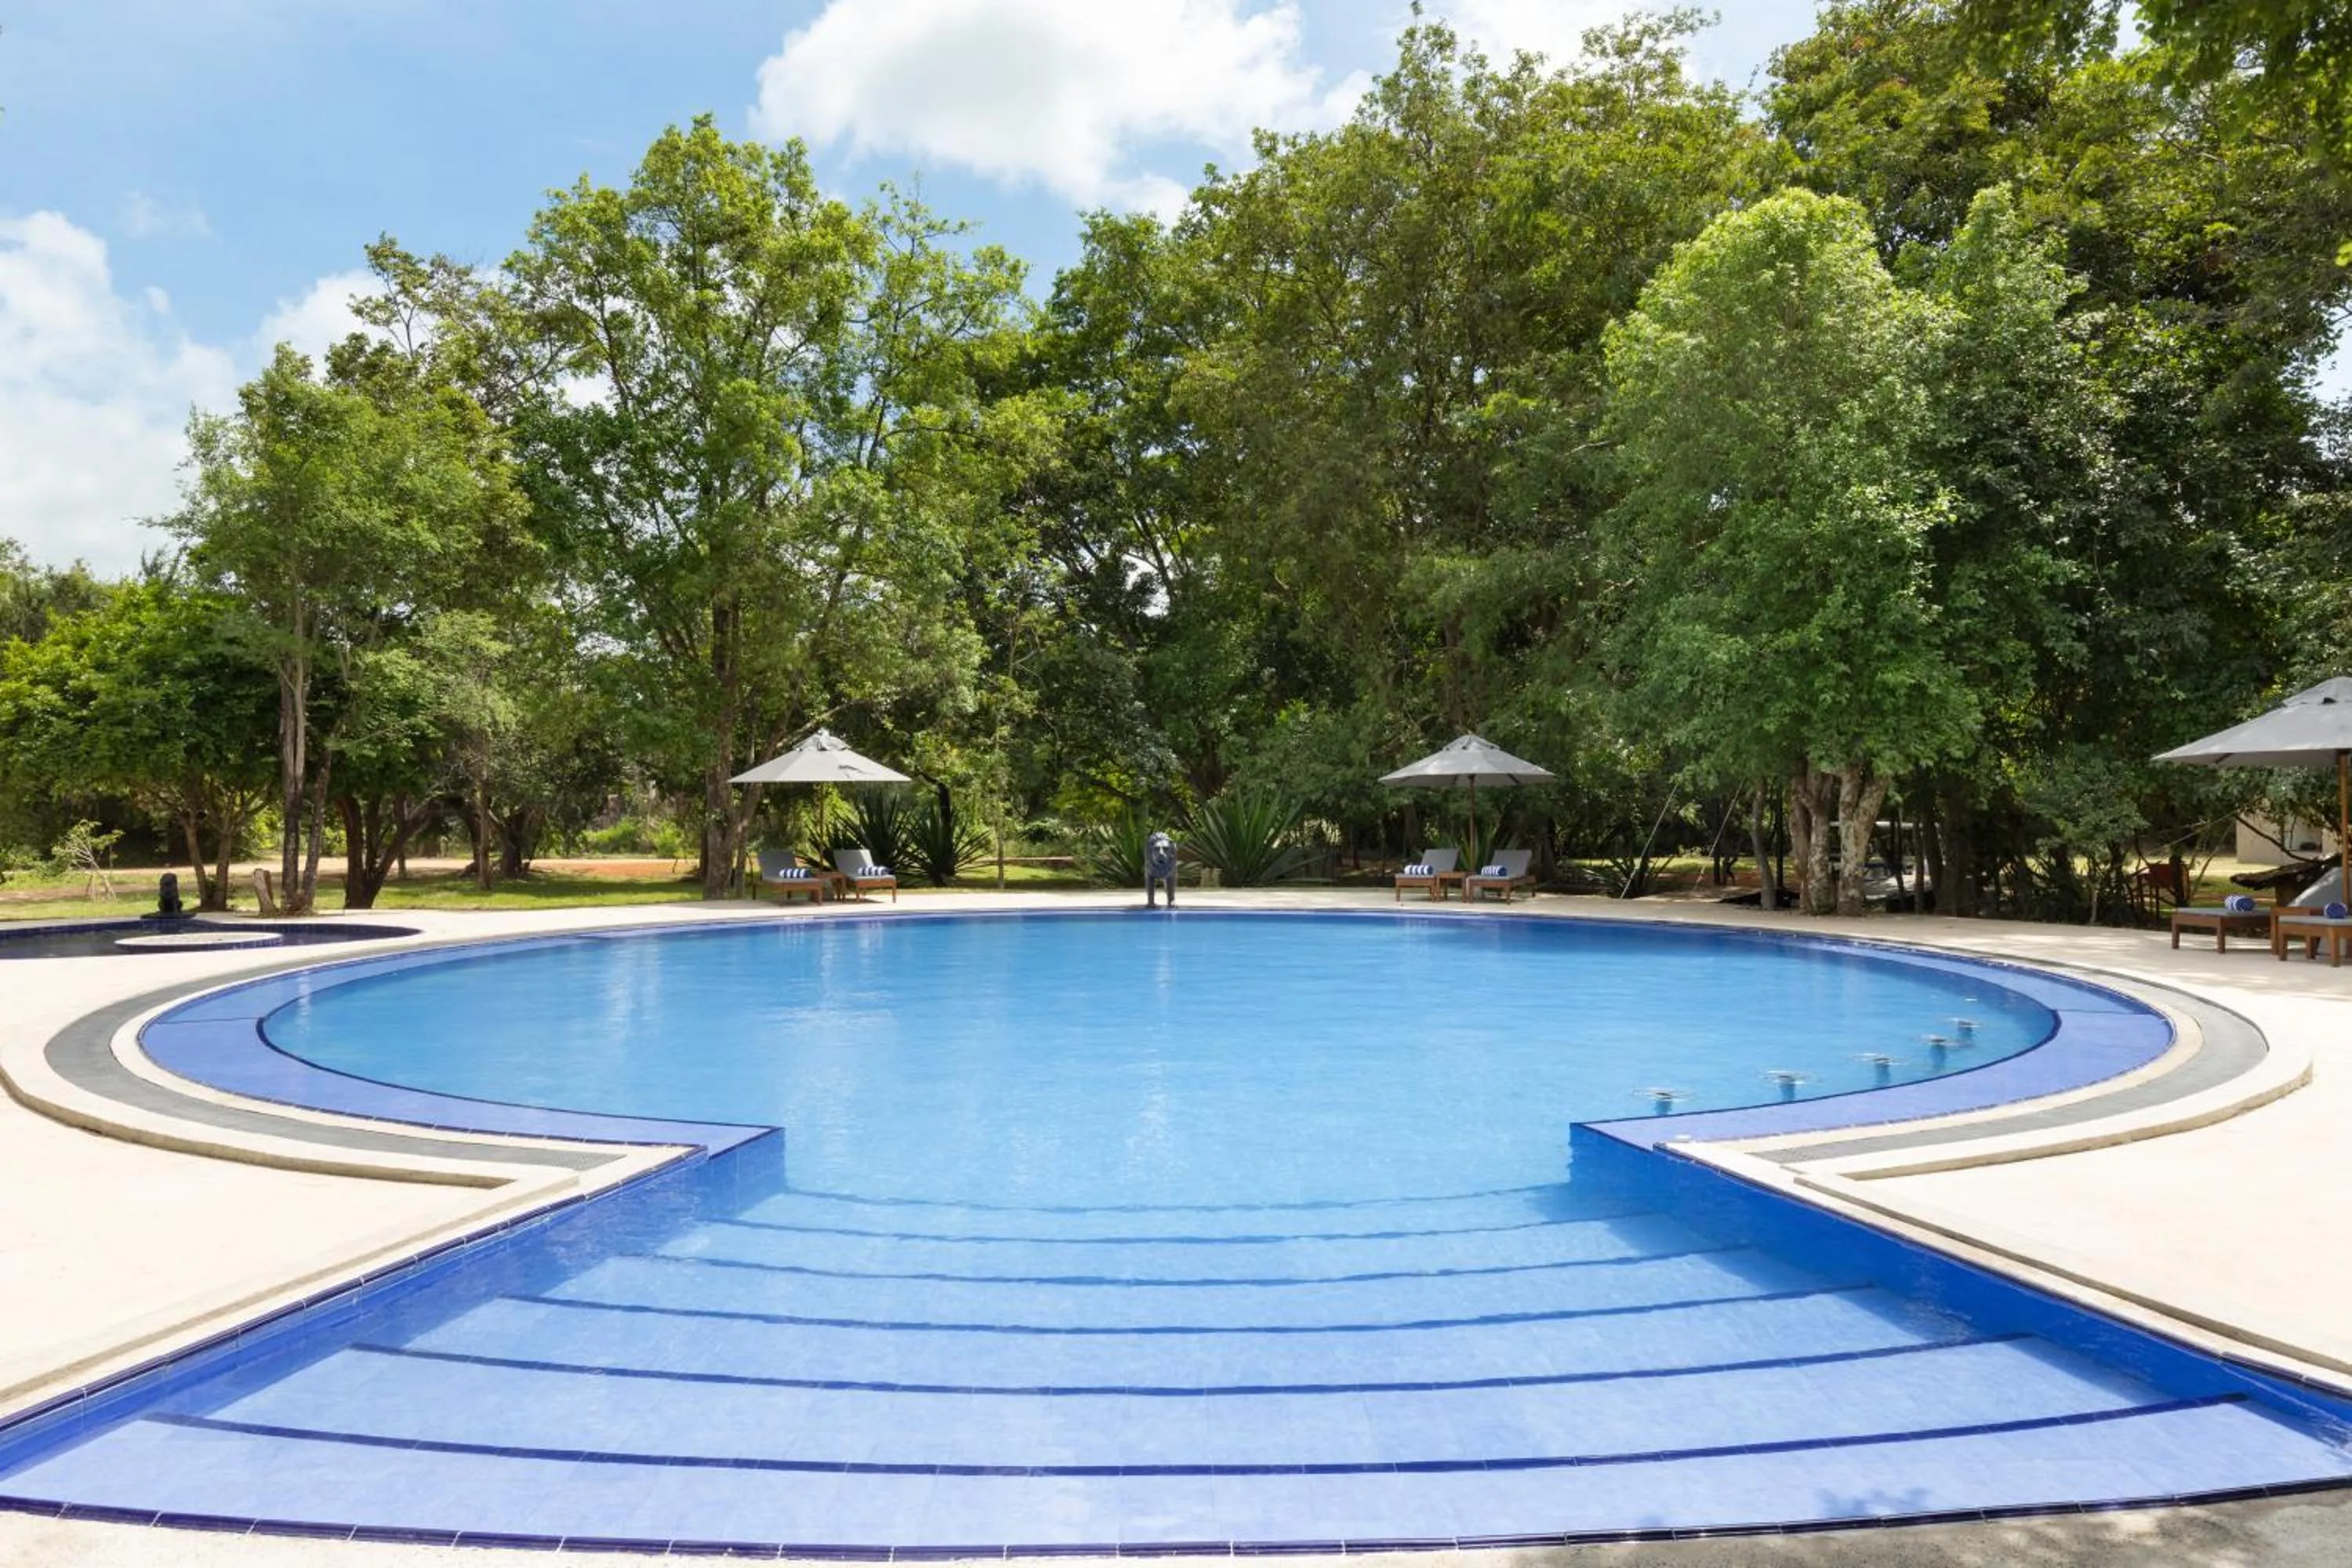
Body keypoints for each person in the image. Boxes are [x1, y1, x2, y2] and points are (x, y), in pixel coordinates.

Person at [1145, 831, 1178, 908]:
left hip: (1169, 864)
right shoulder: (1148, 853)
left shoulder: (1173, 852)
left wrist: (1172, 900)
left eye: (1165, 849)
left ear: (1171, 852)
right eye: (1156, 849)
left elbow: (1172, 875)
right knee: (1150, 875)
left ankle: (1171, 899)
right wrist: (1150, 902)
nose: (1161, 853)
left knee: (1171, 876)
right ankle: (1151, 900)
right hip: (1151, 863)